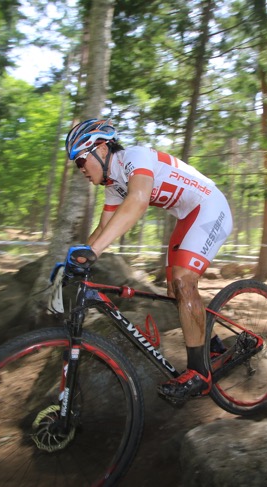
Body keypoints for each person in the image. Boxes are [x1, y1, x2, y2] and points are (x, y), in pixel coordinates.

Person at [64, 119, 234, 404]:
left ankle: (199, 374)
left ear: (102, 150)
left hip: (210, 206)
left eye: (81, 159)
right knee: (175, 291)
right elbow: (104, 230)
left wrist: (93, 253)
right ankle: (213, 346)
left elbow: (139, 200)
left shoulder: (135, 157)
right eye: (77, 164)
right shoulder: (113, 186)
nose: (80, 168)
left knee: (183, 280)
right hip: (186, 216)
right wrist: (78, 258)